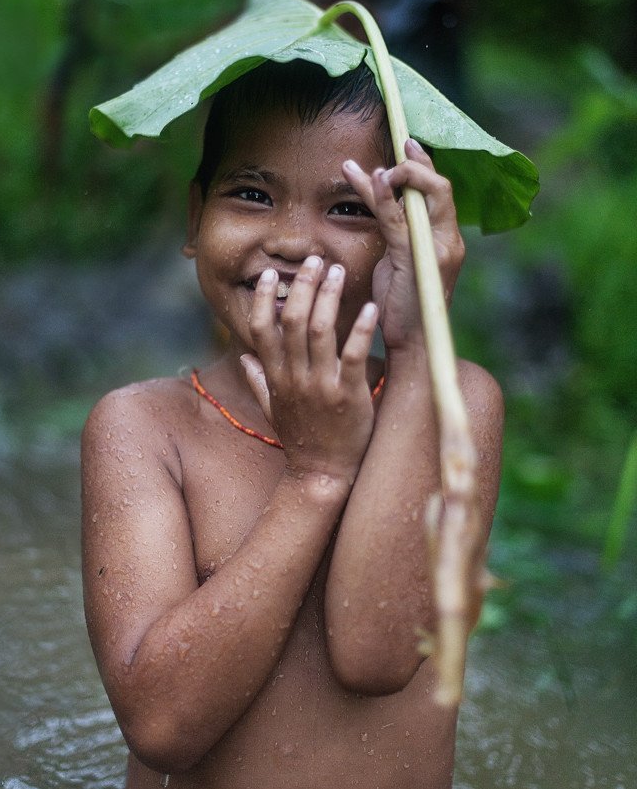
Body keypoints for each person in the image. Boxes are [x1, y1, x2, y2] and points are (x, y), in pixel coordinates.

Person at [81, 60, 503, 789]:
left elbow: (376, 655)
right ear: (194, 219)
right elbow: (161, 726)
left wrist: (412, 353)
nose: (291, 239)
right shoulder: (145, 428)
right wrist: (316, 476)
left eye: (348, 209)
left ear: (409, 241)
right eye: (251, 194)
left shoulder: (453, 400)